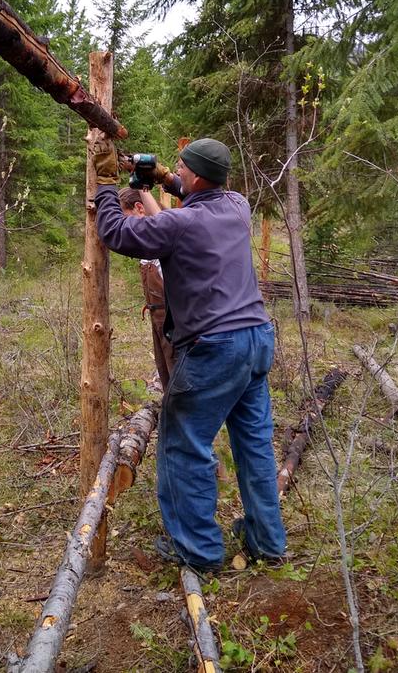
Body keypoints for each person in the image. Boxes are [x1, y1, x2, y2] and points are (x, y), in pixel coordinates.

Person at [92, 136, 286, 572]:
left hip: (215, 349)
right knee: (254, 444)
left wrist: (107, 182)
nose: (174, 175)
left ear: (197, 176)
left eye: (180, 169)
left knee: (183, 445)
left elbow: (117, 231)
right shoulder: (237, 206)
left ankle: (198, 552)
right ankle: (267, 541)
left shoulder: (180, 225)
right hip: (256, 340)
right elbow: (188, 192)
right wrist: (147, 182)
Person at [118, 187, 176, 391]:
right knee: (166, 374)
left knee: (179, 378)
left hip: (174, 322)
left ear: (139, 208)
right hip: (157, 319)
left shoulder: (167, 236)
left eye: (126, 218)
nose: (126, 226)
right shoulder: (146, 239)